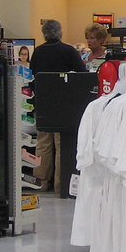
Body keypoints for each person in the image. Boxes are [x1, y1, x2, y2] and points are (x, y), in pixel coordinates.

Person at [30, 19, 87, 193]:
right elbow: (82, 75)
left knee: (43, 144)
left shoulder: (38, 52)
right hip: (64, 105)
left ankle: (40, 181)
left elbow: (32, 76)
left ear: (43, 34)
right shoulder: (68, 51)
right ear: (60, 33)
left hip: (43, 103)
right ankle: (60, 184)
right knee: (61, 144)